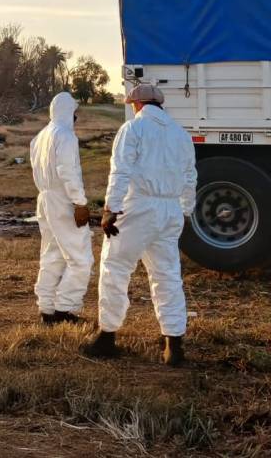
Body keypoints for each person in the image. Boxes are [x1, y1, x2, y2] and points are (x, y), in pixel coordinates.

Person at [83, 83, 196, 364]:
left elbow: (121, 171)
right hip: (169, 209)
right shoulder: (181, 135)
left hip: (139, 207)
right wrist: (186, 210)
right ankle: (174, 344)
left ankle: (107, 336)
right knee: (167, 274)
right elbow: (190, 176)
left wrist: (111, 209)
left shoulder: (133, 129)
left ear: (137, 104)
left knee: (115, 267)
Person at [30, 91, 92, 325]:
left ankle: (46, 309)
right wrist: (80, 203)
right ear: (68, 112)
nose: (76, 117)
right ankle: (64, 310)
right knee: (80, 259)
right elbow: (68, 172)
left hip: (44, 200)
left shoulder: (39, 137)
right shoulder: (65, 135)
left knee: (52, 254)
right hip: (62, 201)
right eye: (75, 112)